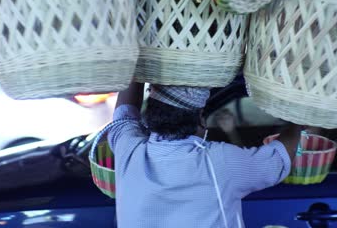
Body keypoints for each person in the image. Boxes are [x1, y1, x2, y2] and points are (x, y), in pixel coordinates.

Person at [108, 82, 302, 228]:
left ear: (149, 118)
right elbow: (279, 158)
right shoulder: (218, 162)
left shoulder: (128, 149)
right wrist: (300, 118)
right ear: (201, 120)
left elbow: (123, 114)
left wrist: (138, 67)